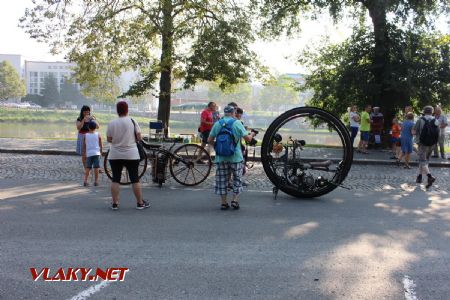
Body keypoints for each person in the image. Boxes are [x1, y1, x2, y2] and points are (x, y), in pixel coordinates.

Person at [208, 105, 256, 210]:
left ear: (224, 113)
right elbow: (248, 139)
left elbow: (209, 140)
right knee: (237, 179)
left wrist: (217, 148)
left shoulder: (217, 124)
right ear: (233, 112)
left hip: (221, 158)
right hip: (236, 157)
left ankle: (223, 203)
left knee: (222, 180)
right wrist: (252, 134)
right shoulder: (237, 123)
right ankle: (234, 200)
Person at [106, 101, 149, 210]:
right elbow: (139, 137)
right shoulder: (132, 121)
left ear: (117, 110)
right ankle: (140, 203)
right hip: (131, 154)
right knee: (135, 179)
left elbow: (109, 139)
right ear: (127, 110)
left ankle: (115, 203)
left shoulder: (112, 123)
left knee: (115, 179)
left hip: (115, 154)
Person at [413, 106, 438, 188]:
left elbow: (414, 131)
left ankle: (430, 177)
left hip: (422, 143)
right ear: (432, 112)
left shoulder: (420, 120)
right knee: (424, 160)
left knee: (422, 160)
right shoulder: (435, 120)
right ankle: (419, 177)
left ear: (424, 111)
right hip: (432, 144)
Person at [82, 121, 103, 186]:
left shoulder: (86, 135)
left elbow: (84, 145)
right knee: (96, 167)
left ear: (88, 127)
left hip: (89, 153)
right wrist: (101, 151)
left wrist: (84, 153)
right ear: (95, 128)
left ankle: (85, 181)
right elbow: (101, 144)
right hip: (96, 153)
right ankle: (96, 181)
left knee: (88, 167)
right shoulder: (98, 134)